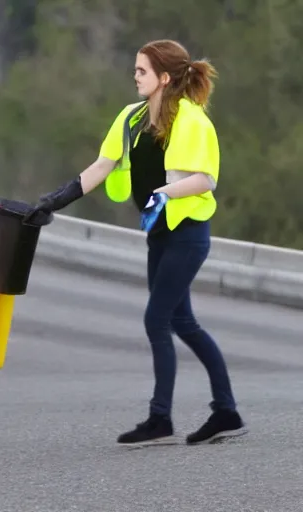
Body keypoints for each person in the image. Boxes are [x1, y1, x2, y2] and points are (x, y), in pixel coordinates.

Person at [24, 39, 247, 447]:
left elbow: (206, 179)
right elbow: (101, 166)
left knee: (157, 320)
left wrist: (165, 193)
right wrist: (54, 201)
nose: (135, 76)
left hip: (188, 234)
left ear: (164, 78)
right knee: (183, 323)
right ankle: (227, 412)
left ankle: (160, 419)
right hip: (160, 234)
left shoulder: (193, 121)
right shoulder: (131, 118)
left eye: (142, 71)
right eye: (135, 70)